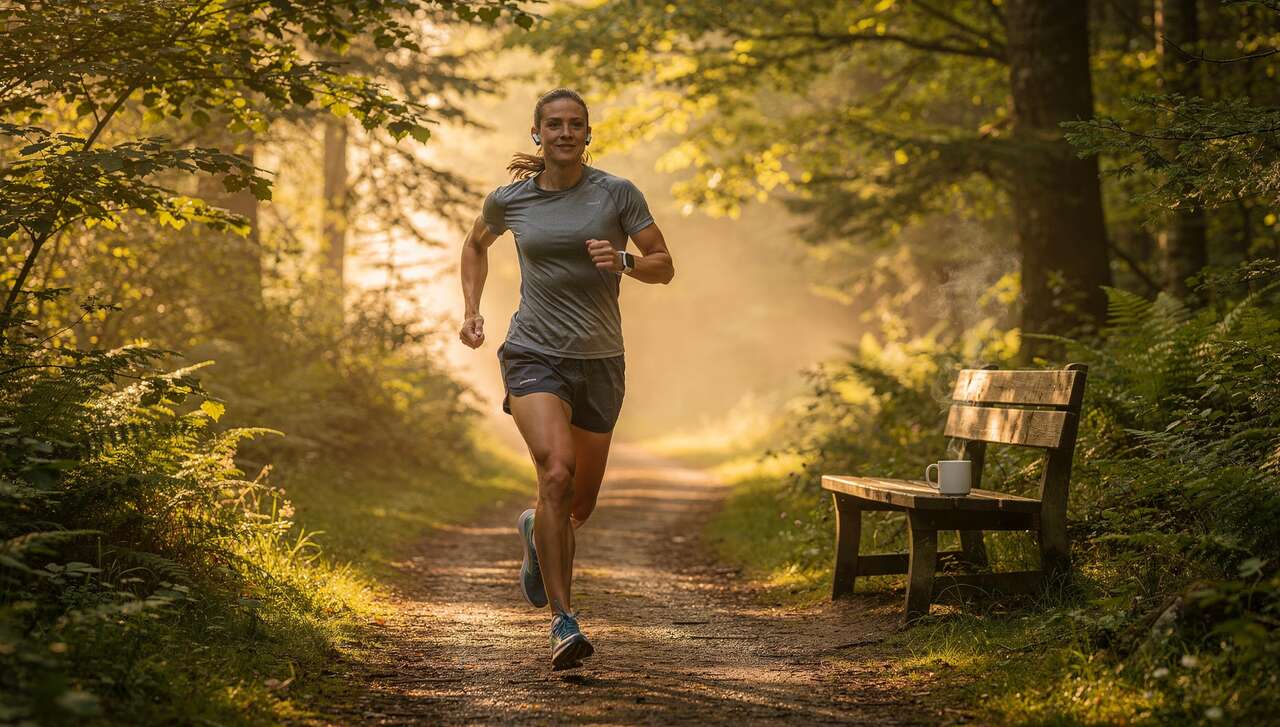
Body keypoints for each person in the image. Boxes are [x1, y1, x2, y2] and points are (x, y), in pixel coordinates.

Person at [457, 88, 675, 670]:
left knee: (577, 504)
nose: (564, 133)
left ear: (587, 134)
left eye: (575, 124)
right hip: (532, 352)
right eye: (553, 124)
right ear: (537, 134)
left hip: (600, 361)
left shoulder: (617, 193)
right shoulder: (510, 200)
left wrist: (625, 261)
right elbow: (474, 246)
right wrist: (471, 309)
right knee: (555, 472)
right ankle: (563, 620)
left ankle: (536, 530)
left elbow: (664, 264)